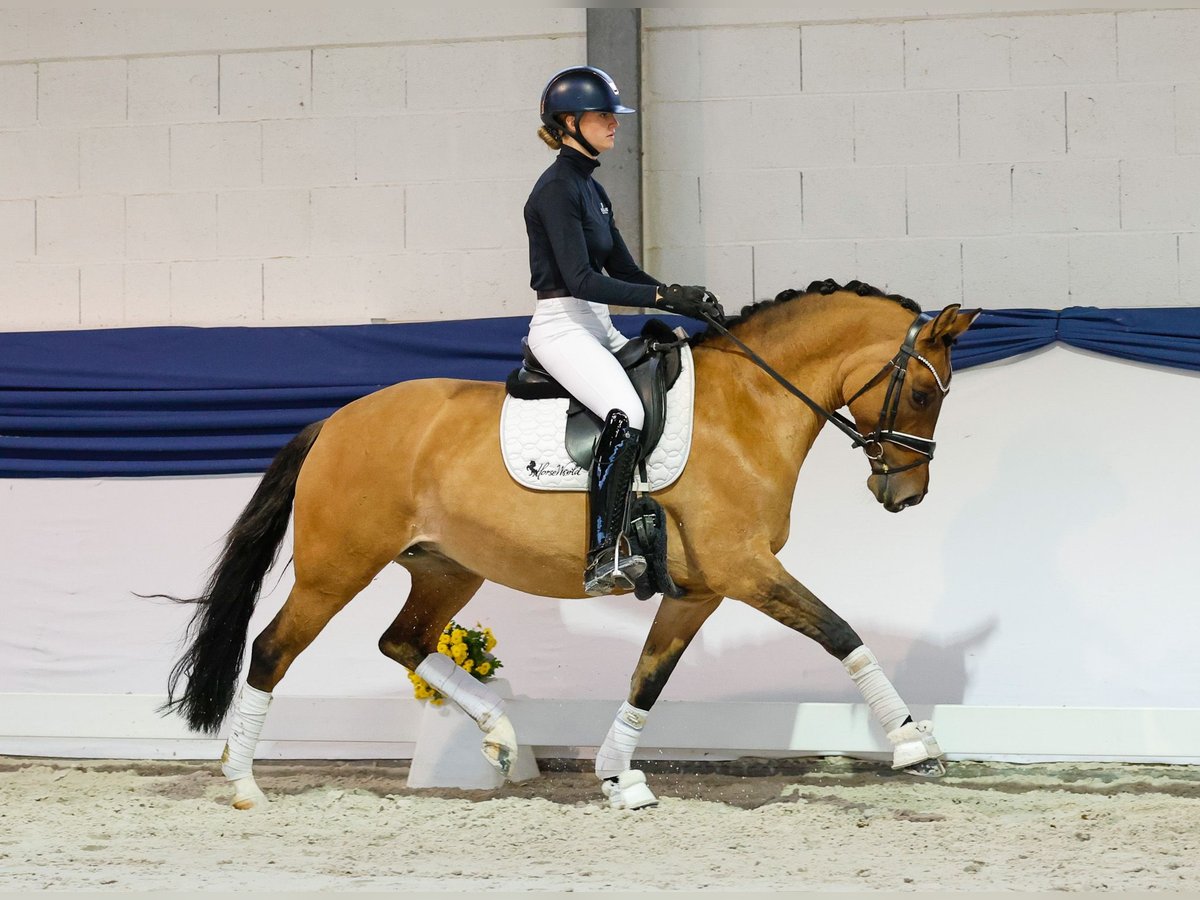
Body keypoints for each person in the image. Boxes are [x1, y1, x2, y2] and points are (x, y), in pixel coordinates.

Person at [524, 65, 724, 596]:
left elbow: (627, 274)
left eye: (615, 116)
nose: (615, 124)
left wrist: (683, 299)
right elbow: (583, 280)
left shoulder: (593, 189)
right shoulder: (555, 191)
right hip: (562, 326)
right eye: (603, 116)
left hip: (597, 325)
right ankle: (602, 551)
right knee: (625, 411)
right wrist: (661, 297)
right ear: (569, 122)